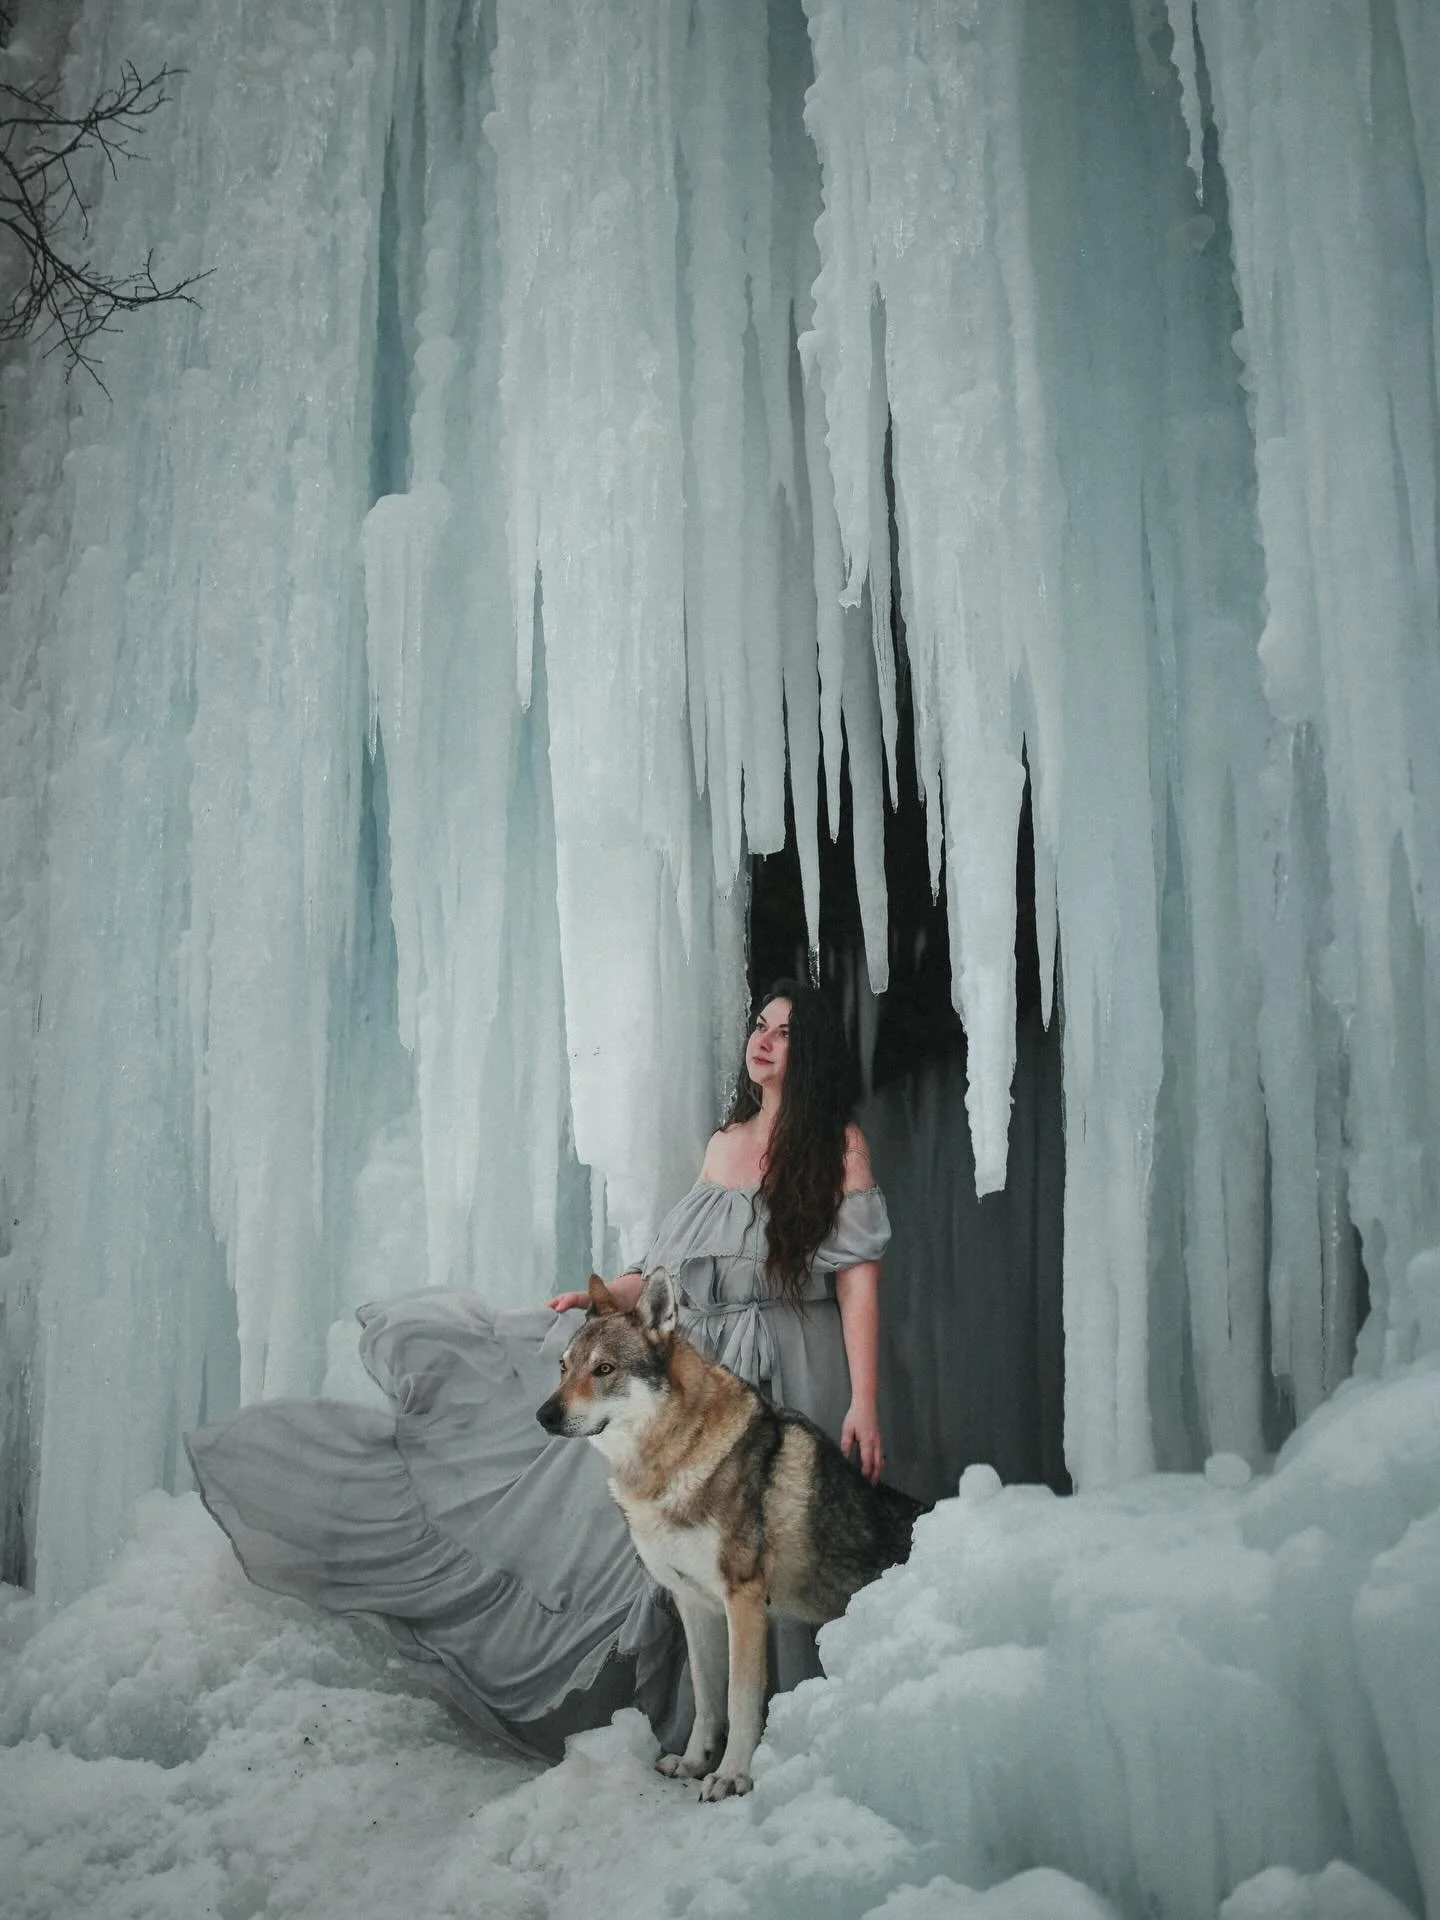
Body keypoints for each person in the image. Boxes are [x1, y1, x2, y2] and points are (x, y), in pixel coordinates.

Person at [186, 980, 890, 1761]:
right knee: (690, 1554)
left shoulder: (838, 1146)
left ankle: (802, 1740)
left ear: (812, 1050)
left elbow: (858, 1278)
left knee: (783, 1542)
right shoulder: (724, 1144)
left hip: (796, 1351)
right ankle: (717, 1735)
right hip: (702, 1370)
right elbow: (668, 1269)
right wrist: (605, 1297)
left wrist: (862, 1398)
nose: (762, 1039)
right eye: (760, 1025)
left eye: (785, 1032)